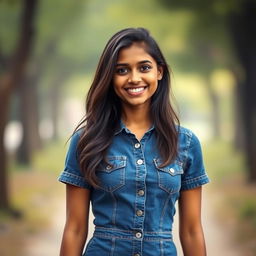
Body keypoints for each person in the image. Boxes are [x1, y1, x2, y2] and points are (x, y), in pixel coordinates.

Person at [58, 27, 210, 256]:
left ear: (159, 71)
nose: (134, 78)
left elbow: (191, 231)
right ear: (110, 77)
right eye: (122, 70)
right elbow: (75, 229)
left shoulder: (186, 143)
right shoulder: (86, 141)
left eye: (144, 67)